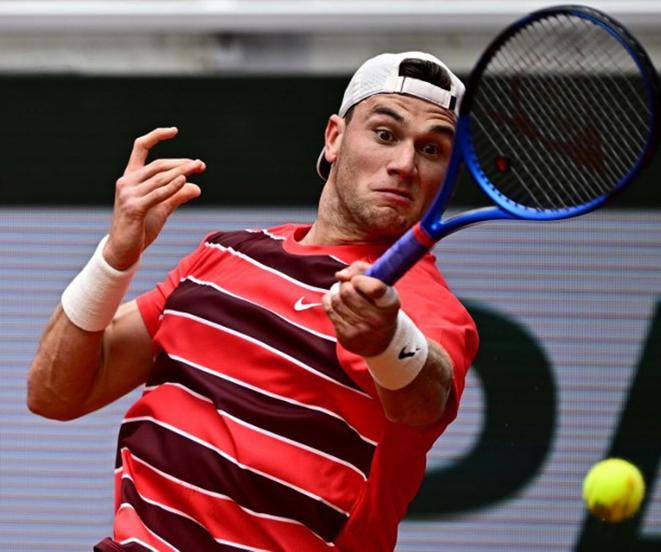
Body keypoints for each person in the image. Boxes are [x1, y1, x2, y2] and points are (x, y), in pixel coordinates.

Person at [27, 51, 479, 551]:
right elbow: (54, 393)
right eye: (385, 134)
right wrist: (115, 256)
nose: (404, 164)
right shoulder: (224, 254)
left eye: (432, 149)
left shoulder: (420, 304)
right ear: (334, 138)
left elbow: (425, 402)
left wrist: (388, 340)